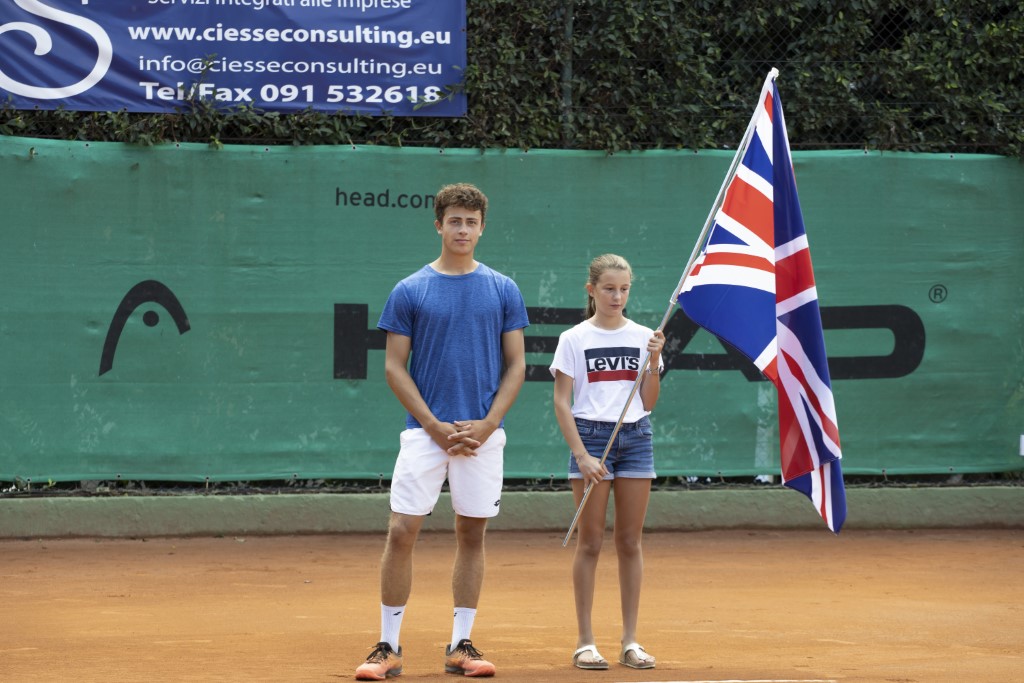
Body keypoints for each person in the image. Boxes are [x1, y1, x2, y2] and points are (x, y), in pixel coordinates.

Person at [355, 183, 529, 680]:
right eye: (455, 221)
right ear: (439, 225)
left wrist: (488, 424)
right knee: (401, 530)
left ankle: (461, 645)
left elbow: (517, 365)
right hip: (423, 434)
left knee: (472, 533)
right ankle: (388, 647)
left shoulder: (503, 289)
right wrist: (432, 425)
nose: (463, 229)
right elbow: (394, 367)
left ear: (482, 228)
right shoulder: (410, 290)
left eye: (471, 222)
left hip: (482, 437)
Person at [549, 253, 665, 671]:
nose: (617, 297)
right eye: (609, 289)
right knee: (591, 542)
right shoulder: (574, 338)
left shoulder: (645, 337)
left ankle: (630, 641)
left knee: (630, 542)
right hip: (591, 438)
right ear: (592, 290)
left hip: (636, 438)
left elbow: (648, 403)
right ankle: (585, 643)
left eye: (624, 289)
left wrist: (654, 362)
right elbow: (561, 401)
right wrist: (582, 455)